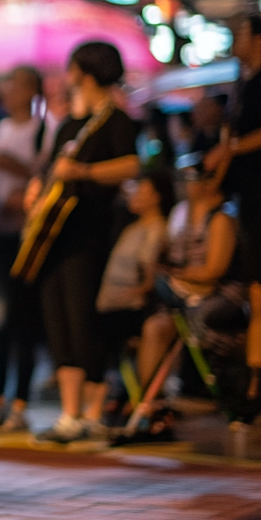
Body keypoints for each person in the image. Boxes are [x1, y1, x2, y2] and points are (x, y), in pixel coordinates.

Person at [28, 42, 140, 444]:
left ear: (86, 72)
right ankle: (69, 413)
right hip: (55, 236)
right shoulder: (69, 124)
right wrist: (38, 190)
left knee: (84, 320)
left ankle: (92, 412)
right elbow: (51, 170)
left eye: (72, 66)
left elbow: (132, 164)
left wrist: (85, 171)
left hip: (91, 234)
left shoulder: (117, 121)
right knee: (58, 320)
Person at [130, 161, 239, 438]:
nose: (184, 183)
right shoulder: (180, 214)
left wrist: (178, 274)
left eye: (190, 177)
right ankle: (153, 408)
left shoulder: (221, 218)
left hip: (216, 297)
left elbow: (215, 270)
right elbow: (166, 257)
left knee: (193, 316)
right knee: (154, 327)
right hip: (182, 296)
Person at [206, 14, 261, 409]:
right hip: (248, 196)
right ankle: (255, 381)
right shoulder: (242, 81)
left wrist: (229, 150)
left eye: (238, 33)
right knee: (258, 292)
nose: (233, 40)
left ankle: (257, 385)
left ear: (258, 37)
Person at [0, 66, 48, 432]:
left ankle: (20, 399)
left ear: (30, 89)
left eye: (14, 84)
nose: (6, 91)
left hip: (26, 236)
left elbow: (47, 176)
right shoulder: (2, 127)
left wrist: (15, 168)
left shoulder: (43, 129)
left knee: (22, 320)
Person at [95, 169, 175, 415]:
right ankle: (116, 394)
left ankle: (130, 398)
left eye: (142, 189)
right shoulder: (132, 227)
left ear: (157, 196)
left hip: (132, 306)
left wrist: (126, 296)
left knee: (97, 331)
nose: (135, 194)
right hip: (112, 303)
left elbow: (150, 281)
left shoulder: (156, 229)